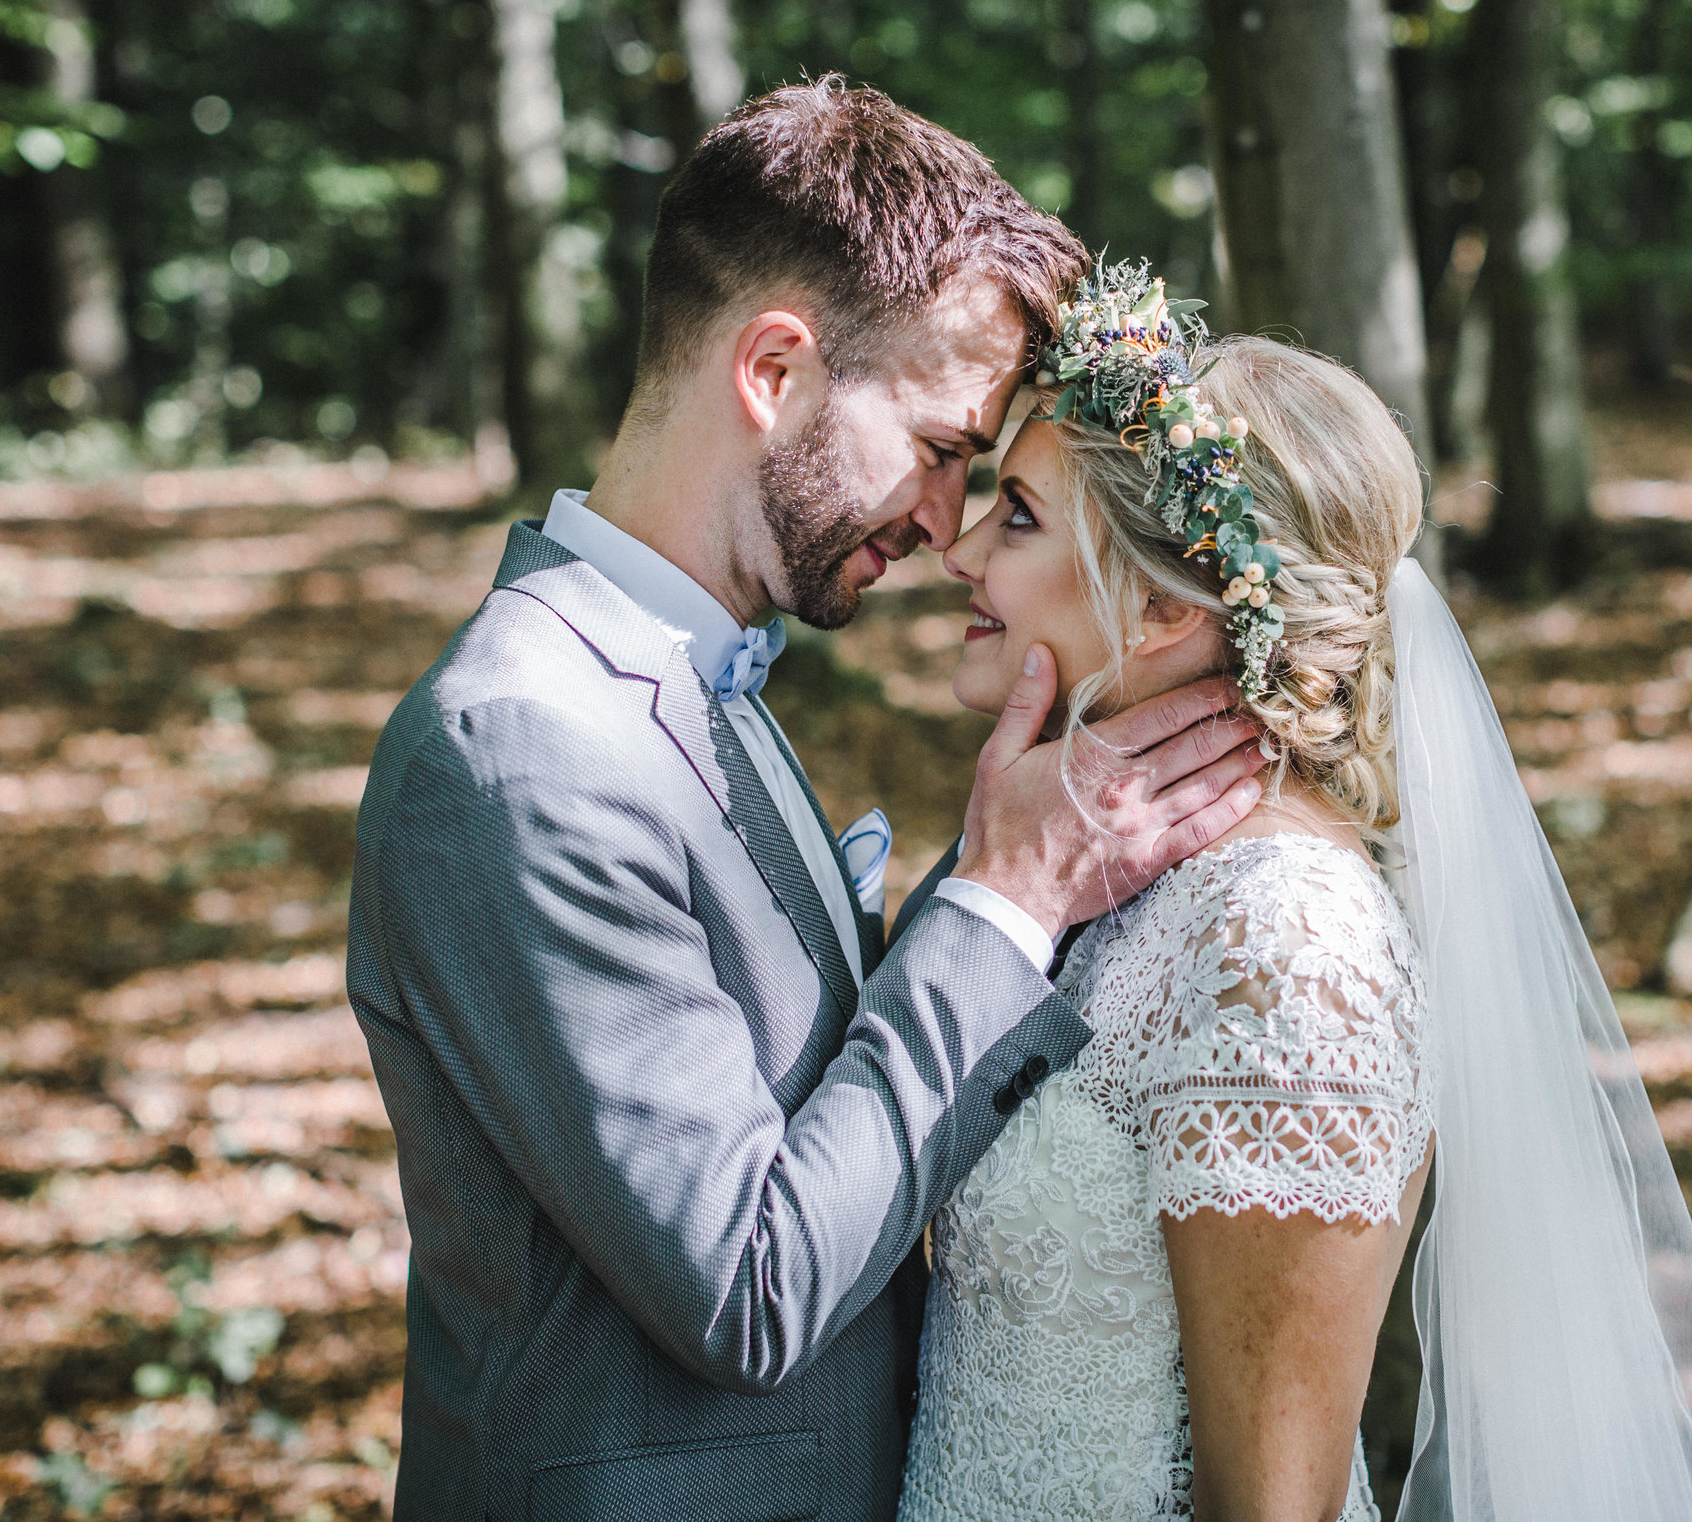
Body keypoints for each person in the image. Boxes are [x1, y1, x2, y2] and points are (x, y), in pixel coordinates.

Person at [345, 85, 1268, 1522]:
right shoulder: (520, 746)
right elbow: (752, 1285)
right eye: (948, 443)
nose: (948, 519)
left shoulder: (703, 673)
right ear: (775, 368)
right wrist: (1003, 904)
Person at [894, 266, 1692, 1522]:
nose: (962, 549)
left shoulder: (1287, 944)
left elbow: (1277, 1504)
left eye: (1021, 517)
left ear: (1157, 603)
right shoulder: (1106, 879)